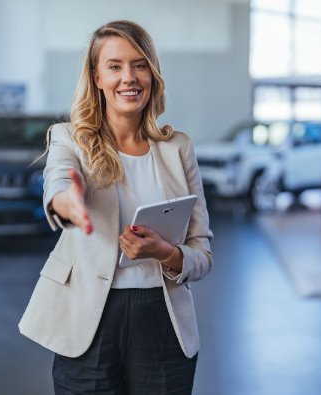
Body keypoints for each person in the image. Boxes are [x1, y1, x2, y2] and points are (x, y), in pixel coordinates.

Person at [19, 20, 213, 395]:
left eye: (140, 64)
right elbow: (59, 182)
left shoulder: (180, 149)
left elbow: (202, 254)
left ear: (153, 74)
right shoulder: (69, 139)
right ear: (96, 76)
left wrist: (165, 253)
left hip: (163, 320)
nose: (129, 77)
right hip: (87, 318)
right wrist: (68, 201)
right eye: (115, 65)